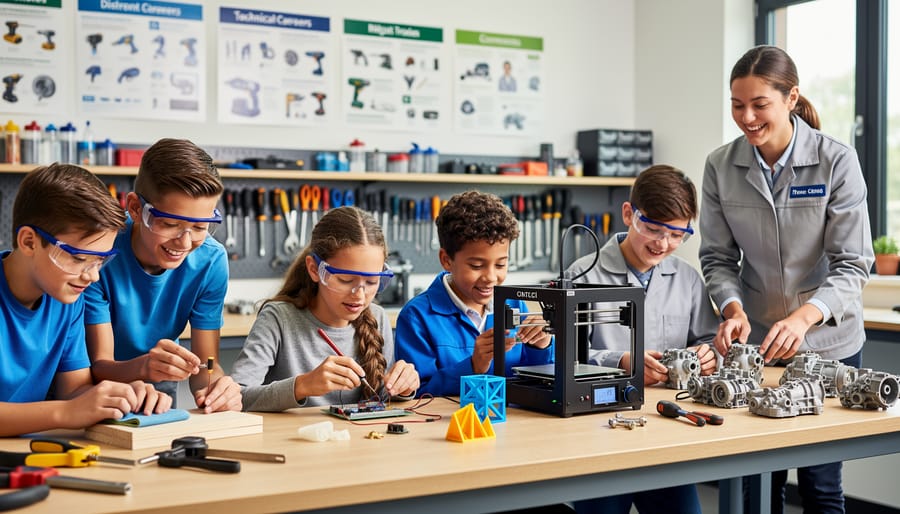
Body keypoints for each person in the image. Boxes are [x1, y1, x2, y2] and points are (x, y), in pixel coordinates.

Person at [699, 45, 874, 514]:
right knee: (760, 479)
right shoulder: (720, 166)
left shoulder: (836, 161)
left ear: (790, 98)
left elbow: (853, 264)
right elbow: (717, 258)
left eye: (760, 104)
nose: (747, 117)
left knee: (820, 484)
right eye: (737, 105)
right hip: (759, 343)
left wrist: (803, 319)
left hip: (830, 343)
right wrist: (732, 307)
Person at [566, 165, 718, 514]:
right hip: (601, 431)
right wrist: (621, 361)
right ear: (628, 214)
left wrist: (708, 355)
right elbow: (565, 358)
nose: (663, 244)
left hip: (669, 434)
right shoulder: (582, 274)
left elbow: (708, 340)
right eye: (652, 228)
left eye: (678, 234)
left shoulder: (688, 279)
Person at [1, 164, 171, 437]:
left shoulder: (67, 299)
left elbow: (74, 390)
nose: (92, 276)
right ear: (30, 242)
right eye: (79, 259)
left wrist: (122, 396)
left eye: (100, 261)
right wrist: (66, 413)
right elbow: (70, 408)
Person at [84, 138, 242, 413]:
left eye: (200, 227)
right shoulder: (98, 253)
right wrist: (145, 366)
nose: (184, 242)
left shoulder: (210, 261)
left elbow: (207, 361)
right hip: (94, 400)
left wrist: (216, 385)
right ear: (135, 208)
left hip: (156, 404)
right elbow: (99, 367)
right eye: (170, 224)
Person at [230, 206, 419, 411]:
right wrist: (302, 385)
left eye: (372, 282)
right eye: (345, 280)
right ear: (314, 270)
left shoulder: (377, 317)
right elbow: (238, 396)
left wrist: (403, 389)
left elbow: (380, 398)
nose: (359, 295)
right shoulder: (278, 318)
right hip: (291, 440)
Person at [394, 190, 553, 397]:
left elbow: (538, 380)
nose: (491, 277)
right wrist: (472, 367)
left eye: (501, 264)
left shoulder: (514, 305)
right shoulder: (417, 317)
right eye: (477, 265)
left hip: (515, 426)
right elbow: (416, 394)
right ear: (446, 259)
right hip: (453, 426)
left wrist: (541, 347)